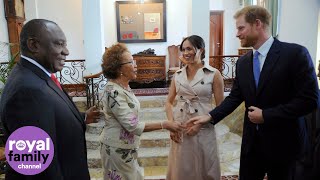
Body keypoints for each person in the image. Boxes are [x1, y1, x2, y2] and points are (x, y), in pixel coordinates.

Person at [188, 5, 319, 180]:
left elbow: (310, 100)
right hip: (252, 144)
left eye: (241, 28)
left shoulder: (295, 54)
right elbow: (235, 97)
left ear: (257, 24)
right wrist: (210, 117)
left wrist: (267, 115)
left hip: (285, 144)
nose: (237, 33)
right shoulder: (243, 62)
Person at [0, 19, 100, 180]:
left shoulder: (37, 77)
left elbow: (47, 118)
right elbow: (37, 167)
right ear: (34, 45)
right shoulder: (27, 91)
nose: (66, 51)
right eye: (59, 44)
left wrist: (82, 117)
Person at [100, 43, 185, 180]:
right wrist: (165, 124)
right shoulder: (113, 91)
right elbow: (132, 125)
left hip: (126, 147)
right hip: (116, 148)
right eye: (131, 62)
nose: (136, 65)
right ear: (119, 68)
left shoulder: (124, 87)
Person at [164, 35, 224, 180]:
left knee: (204, 165)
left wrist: (203, 123)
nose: (186, 53)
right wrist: (172, 124)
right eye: (183, 49)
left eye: (189, 48)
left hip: (203, 126)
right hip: (181, 126)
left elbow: (221, 107)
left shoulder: (214, 74)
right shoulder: (177, 75)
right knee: (182, 168)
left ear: (201, 50)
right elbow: (168, 102)